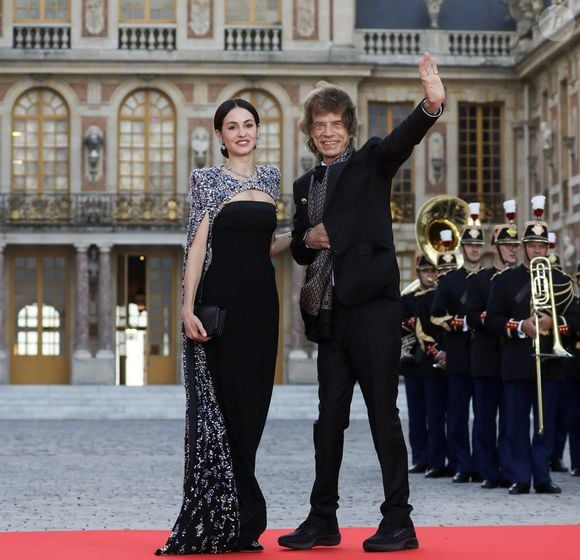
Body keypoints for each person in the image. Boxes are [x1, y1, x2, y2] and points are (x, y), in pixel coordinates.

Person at [278, 52, 445, 553]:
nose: (328, 132)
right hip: (329, 315)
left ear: (349, 128)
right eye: (319, 125)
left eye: (336, 124)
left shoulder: (372, 160)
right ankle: (322, 519)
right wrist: (314, 237)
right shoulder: (305, 184)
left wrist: (431, 104)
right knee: (328, 420)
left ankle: (399, 520)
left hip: (373, 309)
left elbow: (403, 139)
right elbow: (303, 250)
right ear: (309, 132)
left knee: (382, 416)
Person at [155, 98, 289, 555]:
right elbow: (196, 246)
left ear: (257, 130)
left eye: (248, 124)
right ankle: (228, 520)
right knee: (226, 410)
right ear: (220, 136)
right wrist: (186, 307)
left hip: (262, 308)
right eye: (232, 126)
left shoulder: (271, 179)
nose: (241, 132)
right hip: (220, 308)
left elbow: (265, 245)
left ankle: (243, 520)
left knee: (253, 410)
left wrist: (306, 236)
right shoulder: (207, 180)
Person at [486, 199, 579, 495]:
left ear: (547, 249)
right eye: (532, 245)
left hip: (550, 360)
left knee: (546, 422)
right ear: (524, 247)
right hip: (516, 359)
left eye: (542, 246)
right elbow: (493, 320)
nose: (537, 251)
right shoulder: (505, 281)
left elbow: (576, 317)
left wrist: (555, 323)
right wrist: (520, 326)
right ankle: (519, 476)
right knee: (515, 422)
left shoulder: (561, 280)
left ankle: (542, 476)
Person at [465, 216, 520, 489]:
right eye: (507, 244)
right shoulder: (480, 280)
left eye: (515, 245)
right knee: (485, 419)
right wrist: (492, 319)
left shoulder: (522, 279)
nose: (512, 249)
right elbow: (473, 316)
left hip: (512, 360)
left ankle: (509, 468)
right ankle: (487, 470)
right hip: (486, 358)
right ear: (495, 247)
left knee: (510, 421)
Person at [430, 217, 485, 483]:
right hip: (459, 354)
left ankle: (485, 463)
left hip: (486, 355)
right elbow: (436, 315)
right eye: (470, 245)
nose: (474, 249)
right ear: (463, 249)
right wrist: (460, 322)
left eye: (478, 245)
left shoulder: (491, 278)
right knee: (458, 414)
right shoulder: (450, 280)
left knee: (485, 415)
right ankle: (463, 463)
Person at [415, 250, 458, 479]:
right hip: (432, 365)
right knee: (434, 415)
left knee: (456, 415)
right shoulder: (424, 299)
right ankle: (435, 462)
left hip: (457, 363)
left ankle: (455, 460)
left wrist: (451, 354)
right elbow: (422, 332)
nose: (447, 275)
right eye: (444, 271)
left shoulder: (461, 296)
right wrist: (439, 354)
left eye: (452, 271)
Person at [400, 255, 437, 475]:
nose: (430, 276)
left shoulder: (439, 297)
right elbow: (401, 325)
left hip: (433, 363)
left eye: (433, 272)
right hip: (413, 362)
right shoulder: (408, 299)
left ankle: (435, 458)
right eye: (426, 272)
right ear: (418, 273)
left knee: (434, 414)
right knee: (416, 414)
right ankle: (419, 457)